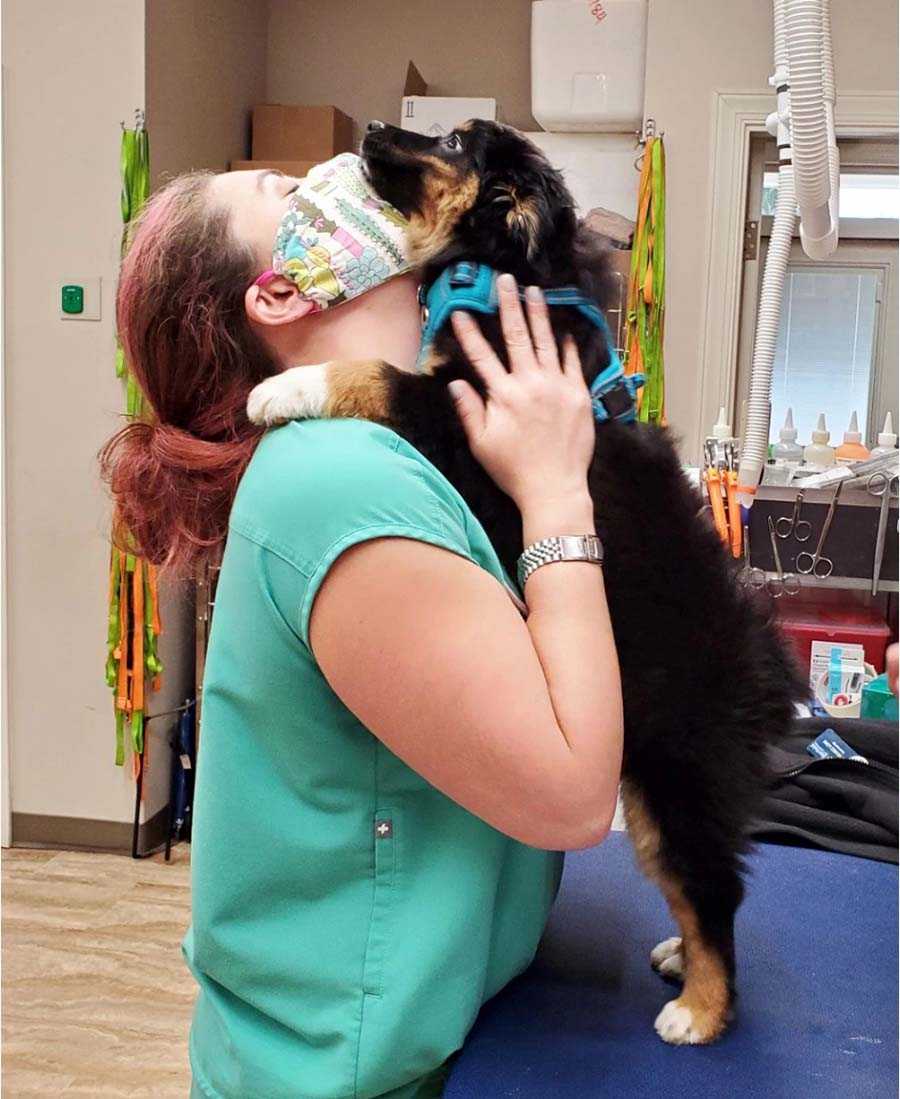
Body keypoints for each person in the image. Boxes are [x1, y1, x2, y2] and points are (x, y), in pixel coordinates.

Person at [101, 158, 624, 1099]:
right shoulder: (342, 485)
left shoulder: (385, 449)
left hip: (426, 1033)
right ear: (279, 289)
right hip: (347, 1074)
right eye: (285, 191)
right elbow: (573, 794)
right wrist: (557, 490)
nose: (337, 178)